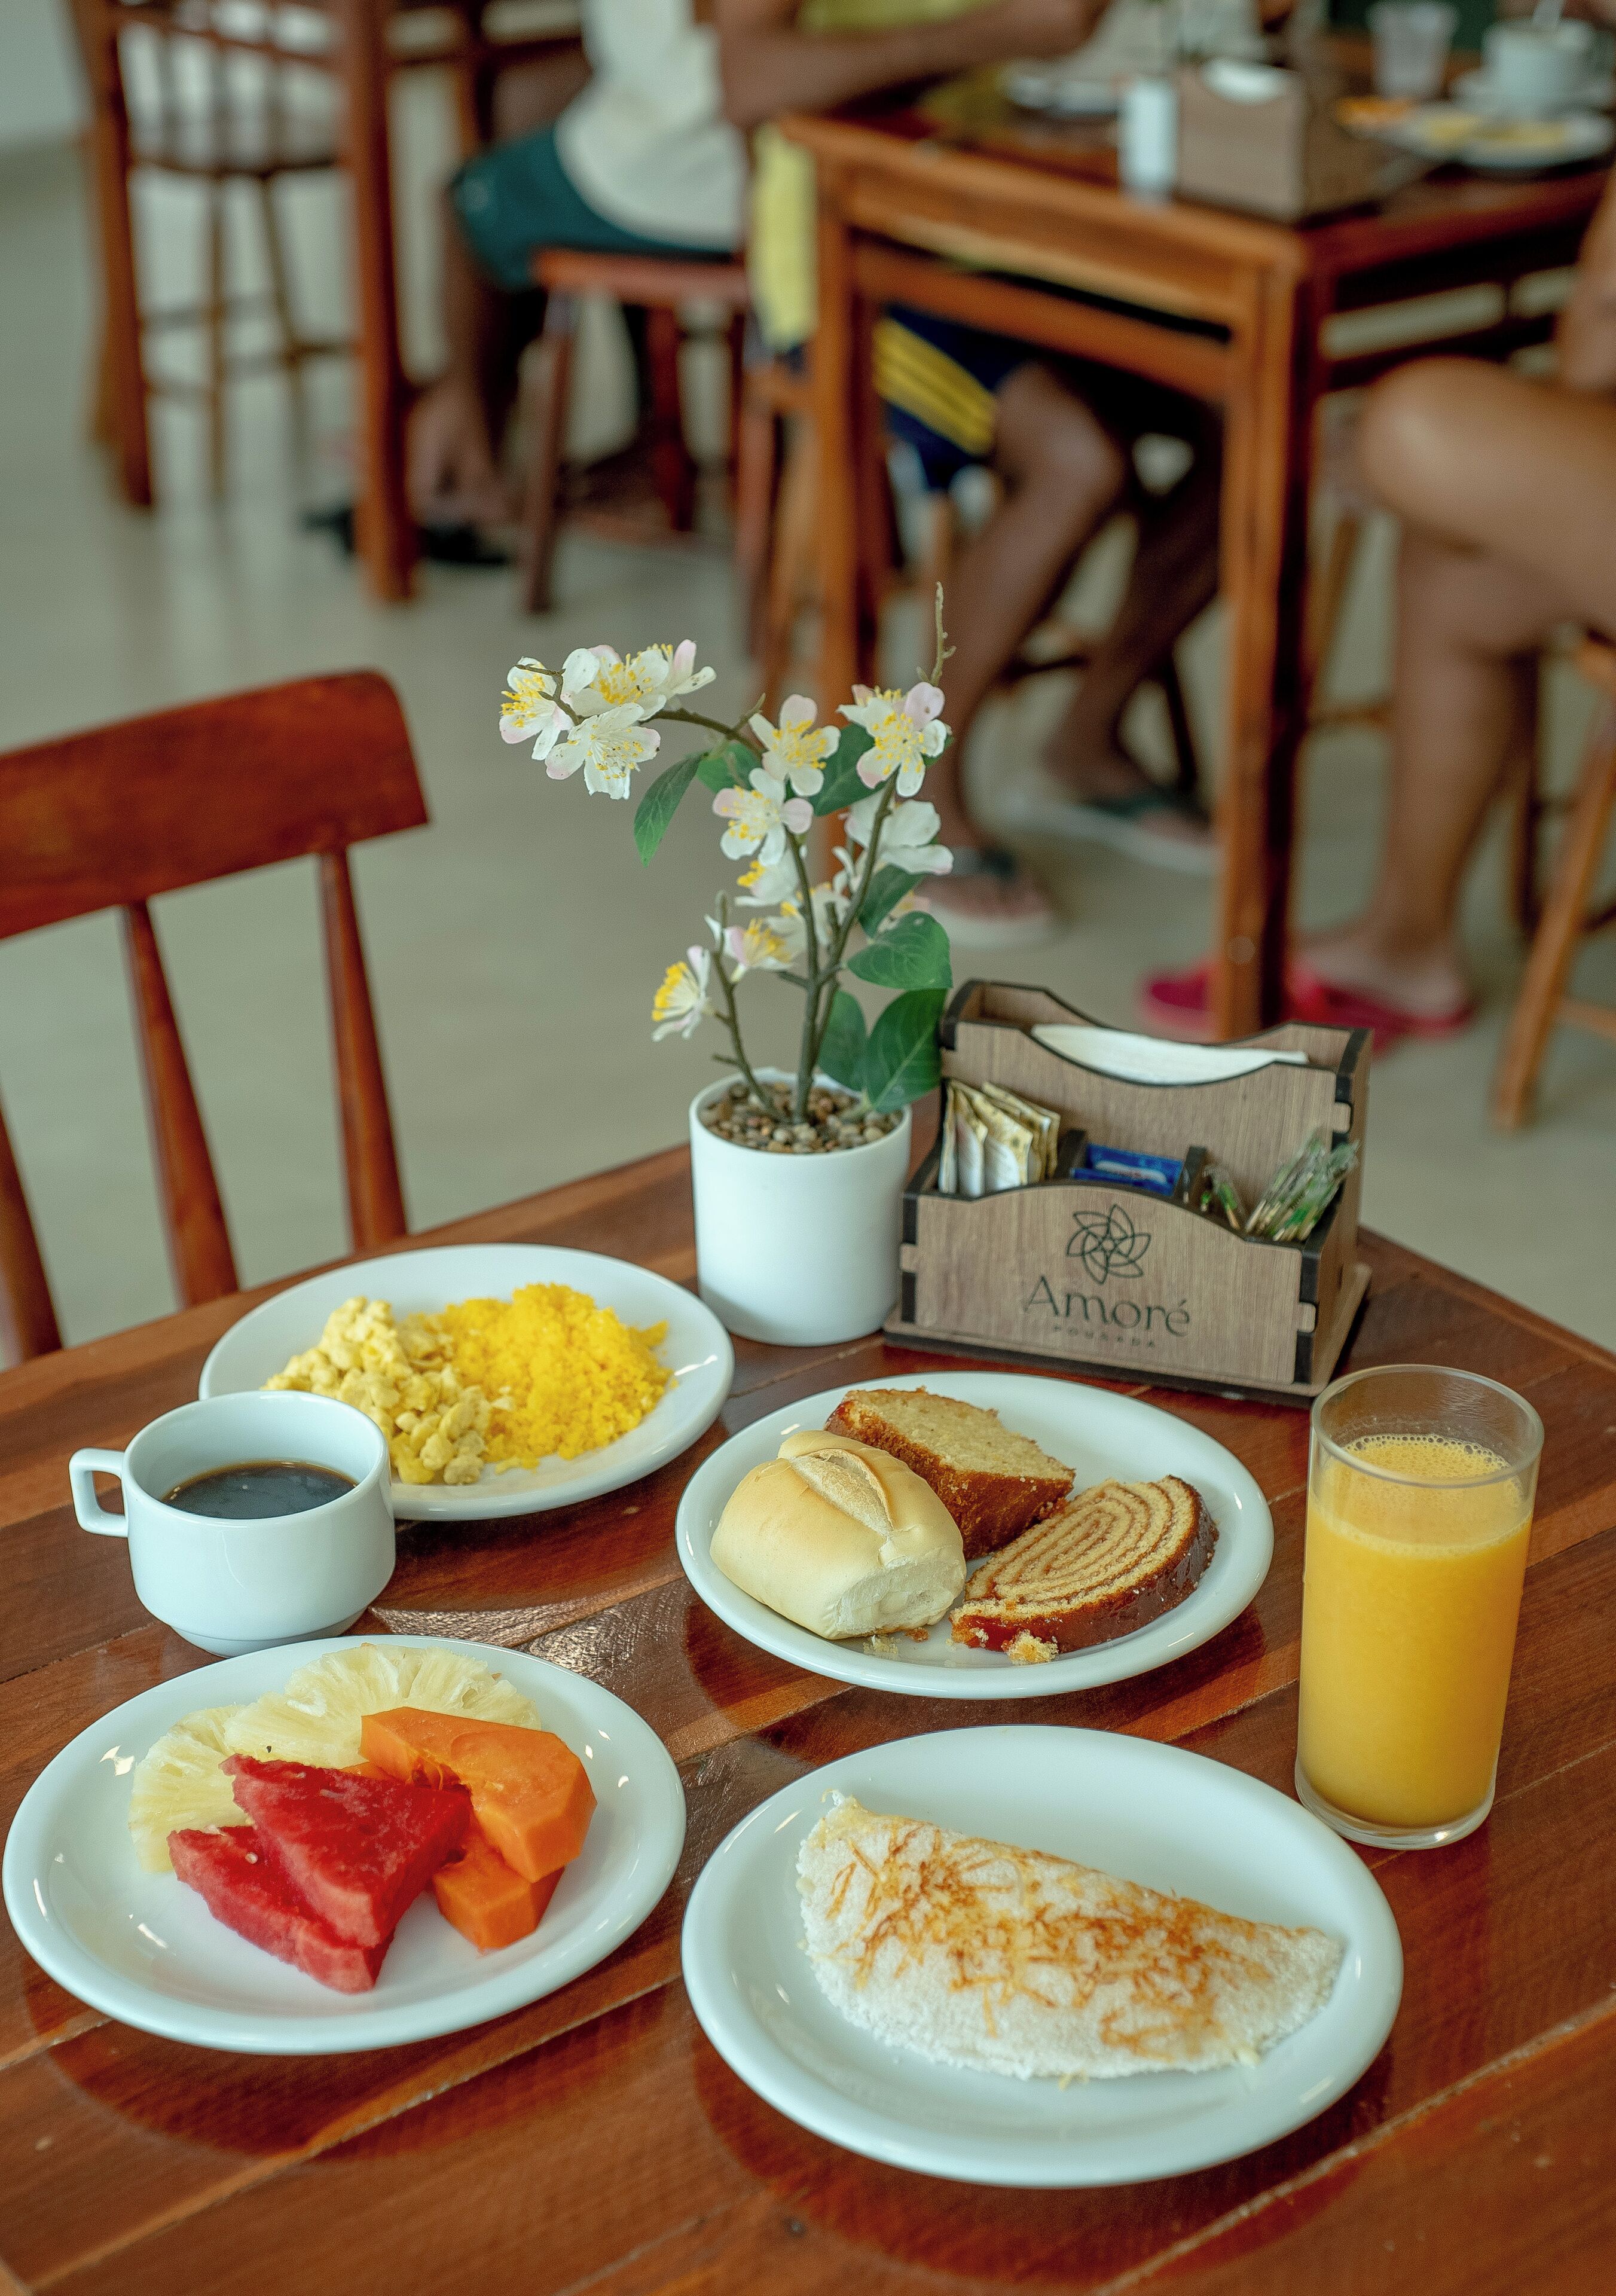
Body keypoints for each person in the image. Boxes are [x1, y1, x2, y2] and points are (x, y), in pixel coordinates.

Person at [719, 0, 1224, 942]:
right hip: (853, 271)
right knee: (1079, 460)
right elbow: (743, 84)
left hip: (1022, 230)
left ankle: (1086, 738)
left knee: (1251, 413)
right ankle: (915, 789)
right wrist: (1000, 33)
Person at [408, 0, 750, 532]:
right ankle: (646, 435)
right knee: (537, 113)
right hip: (742, 160)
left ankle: (472, 459)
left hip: (692, 169)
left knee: (471, 199)